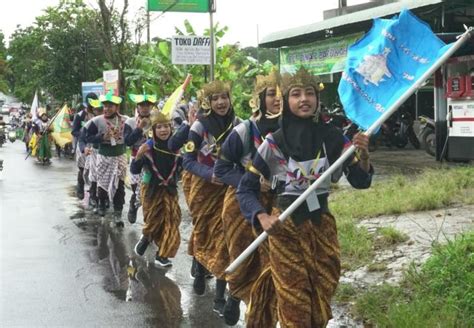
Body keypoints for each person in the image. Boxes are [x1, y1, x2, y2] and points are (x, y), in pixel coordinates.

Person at [237, 68, 373, 327]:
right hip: (285, 229)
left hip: (322, 227)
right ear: (286, 101)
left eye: (309, 93)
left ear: (317, 100)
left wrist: (364, 157)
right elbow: (245, 188)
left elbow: (360, 181)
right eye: (296, 94)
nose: (304, 100)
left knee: (322, 294)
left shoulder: (333, 137)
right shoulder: (273, 143)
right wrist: (262, 215)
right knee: (294, 302)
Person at [213, 71, 282, 325]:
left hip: (277, 205)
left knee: (270, 262)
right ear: (260, 99)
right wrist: (250, 181)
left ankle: (263, 313)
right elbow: (221, 169)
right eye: (271, 94)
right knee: (243, 255)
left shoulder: (292, 129)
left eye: (281, 93)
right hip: (241, 203)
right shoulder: (244, 131)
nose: (277, 99)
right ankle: (234, 293)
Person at [182, 80, 240, 316]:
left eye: (224, 97)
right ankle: (198, 262)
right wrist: (208, 173)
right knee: (204, 231)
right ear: (208, 102)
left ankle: (219, 294)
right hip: (202, 189)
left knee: (225, 239)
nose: (220, 102)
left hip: (227, 189)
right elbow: (187, 160)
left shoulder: (239, 125)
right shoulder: (198, 127)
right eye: (215, 98)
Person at [132, 109, 182, 267]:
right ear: (153, 130)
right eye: (159, 127)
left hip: (170, 191)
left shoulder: (176, 147)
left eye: (166, 126)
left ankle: (162, 255)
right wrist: (139, 156)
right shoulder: (147, 148)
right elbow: (134, 170)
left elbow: (183, 166)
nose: (163, 130)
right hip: (152, 191)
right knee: (154, 221)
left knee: (172, 221)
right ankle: (147, 237)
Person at [85, 90, 128, 226]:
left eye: (110, 106)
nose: (107, 109)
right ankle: (102, 204)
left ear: (116, 107)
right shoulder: (96, 121)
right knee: (102, 186)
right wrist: (101, 137)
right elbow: (85, 136)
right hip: (103, 157)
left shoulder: (125, 120)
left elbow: (134, 135)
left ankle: (118, 214)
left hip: (120, 156)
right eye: (105, 106)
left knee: (120, 187)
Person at [124, 91, 156, 224]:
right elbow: (127, 142)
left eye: (147, 105)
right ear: (137, 107)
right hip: (137, 159)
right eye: (142, 105)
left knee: (150, 191)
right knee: (137, 189)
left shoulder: (157, 121)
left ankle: (150, 222)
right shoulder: (130, 122)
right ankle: (133, 203)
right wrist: (139, 128)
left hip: (153, 160)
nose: (144, 107)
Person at [72, 93, 99, 199]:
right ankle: (80, 187)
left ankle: (94, 194)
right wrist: (85, 136)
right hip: (84, 145)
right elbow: (74, 131)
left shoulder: (99, 115)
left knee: (95, 170)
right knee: (83, 169)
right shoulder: (80, 116)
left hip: (96, 145)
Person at [79, 98, 103, 211]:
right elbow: (82, 138)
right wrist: (84, 149)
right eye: (97, 110)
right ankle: (92, 196)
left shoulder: (116, 121)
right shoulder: (90, 123)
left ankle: (105, 200)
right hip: (93, 151)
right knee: (92, 173)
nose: (100, 112)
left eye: (101, 109)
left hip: (109, 154)